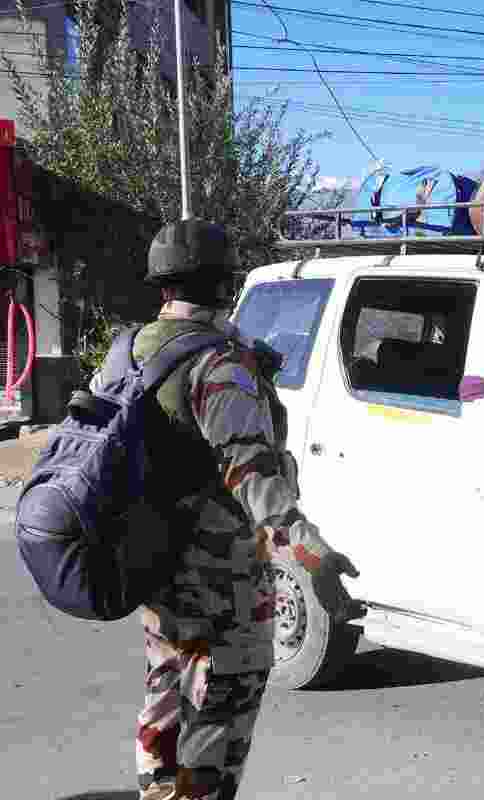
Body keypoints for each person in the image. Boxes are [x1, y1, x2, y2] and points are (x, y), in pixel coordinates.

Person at [101, 219, 360, 800]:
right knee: (218, 718)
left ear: (162, 284)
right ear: (223, 285)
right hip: (222, 582)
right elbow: (250, 472)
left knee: (167, 698)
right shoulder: (219, 365)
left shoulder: (129, 350)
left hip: (155, 566)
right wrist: (309, 549)